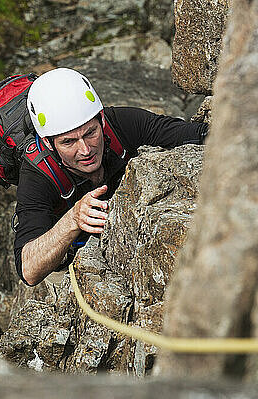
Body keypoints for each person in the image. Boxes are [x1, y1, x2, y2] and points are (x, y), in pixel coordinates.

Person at [15, 68, 209, 286]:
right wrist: (74, 219)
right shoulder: (37, 175)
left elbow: (193, 133)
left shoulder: (122, 123)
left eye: (90, 133)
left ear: (102, 121)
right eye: (69, 142)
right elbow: (28, 269)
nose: (86, 149)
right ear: (49, 143)